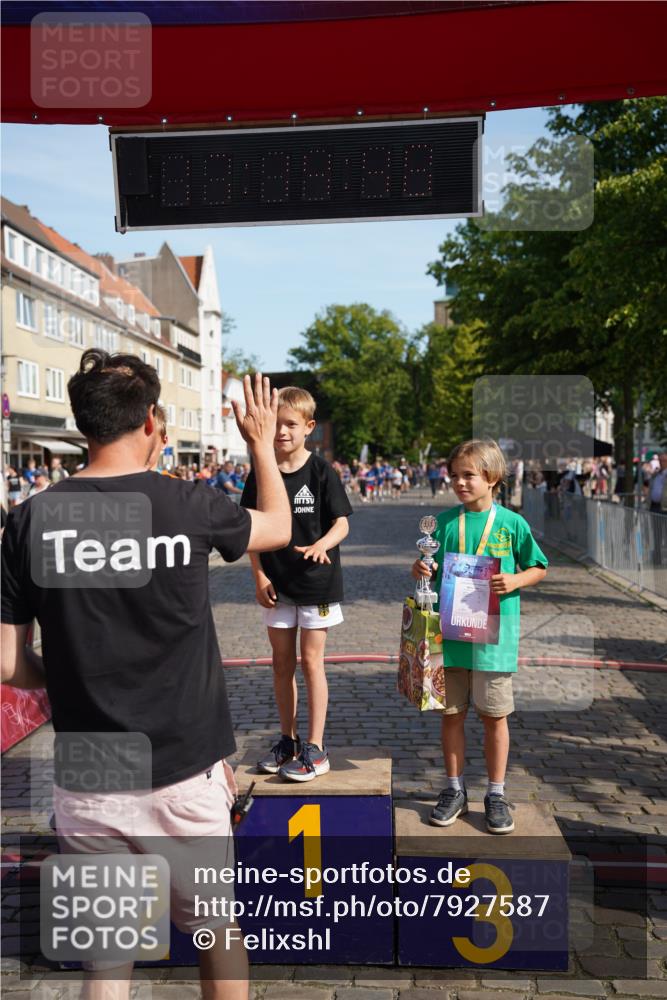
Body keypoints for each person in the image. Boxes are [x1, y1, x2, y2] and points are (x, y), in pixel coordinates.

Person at [1, 350, 291, 1000]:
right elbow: (278, 527)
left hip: (91, 769)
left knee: (107, 961)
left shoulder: (28, 520)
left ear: (83, 427)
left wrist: (68, 681)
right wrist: (261, 448)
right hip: (184, 765)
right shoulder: (187, 504)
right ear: (153, 422)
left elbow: (8, 663)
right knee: (216, 929)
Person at [412, 439, 547, 835]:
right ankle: (454, 788)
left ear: (492, 478)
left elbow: (538, 566)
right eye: (454, 475)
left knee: (494, 717)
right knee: (451, 715)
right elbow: (429, 572)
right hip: (450, 638)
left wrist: (517, 578)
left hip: (493, 641)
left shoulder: (512, 523)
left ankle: (496, 792)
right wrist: (419, 571)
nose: (459, 482)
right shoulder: (444, 524)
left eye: (468, 475)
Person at [241, 386, 352, 782]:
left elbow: (342, 522)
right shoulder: (262, 472)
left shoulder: (322, 471)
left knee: (311, 663)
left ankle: (316, 747)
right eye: (278, 424)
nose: (283, 432)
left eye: (291, 425)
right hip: (277, 584)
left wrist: (323, 543)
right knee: (281, 664)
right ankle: (287, 740)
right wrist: (258, 575)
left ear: (309, 428)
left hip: (316, 583)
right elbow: (251, 529)